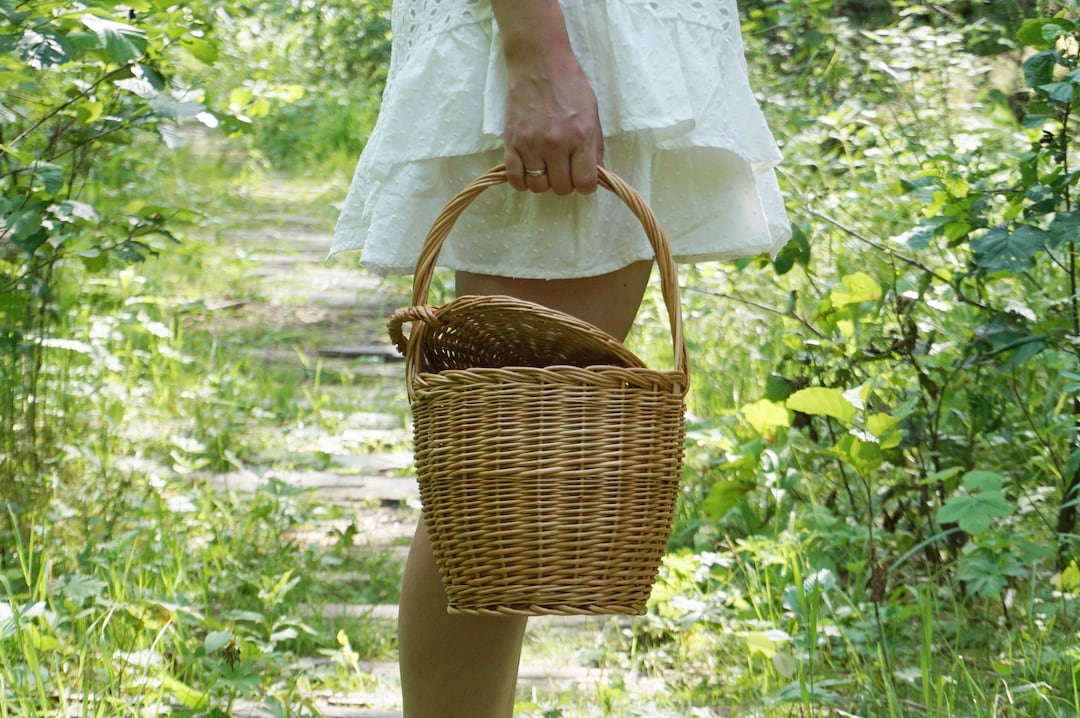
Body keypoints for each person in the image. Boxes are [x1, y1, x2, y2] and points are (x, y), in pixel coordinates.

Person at [329, 1, 791, 715]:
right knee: (493, 487)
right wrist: (538, 52)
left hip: (601, 38)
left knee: (495, 479)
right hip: (576, 34)